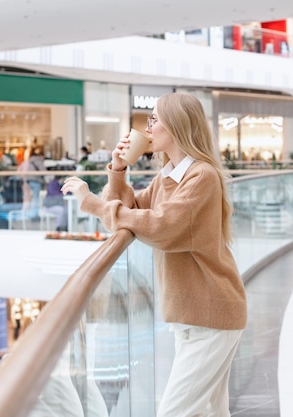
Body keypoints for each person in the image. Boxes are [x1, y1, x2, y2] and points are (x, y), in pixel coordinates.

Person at [62, 92, 247, 416]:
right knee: (211, 411)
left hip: (213, 314)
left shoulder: (200, 176)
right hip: (195, 316)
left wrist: (91, 202)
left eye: (154, 120)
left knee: (175, 412)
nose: (148, 128)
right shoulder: (169, 176)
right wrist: (117, 170)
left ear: (176, 125)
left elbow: (161, 226)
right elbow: (132, 209)